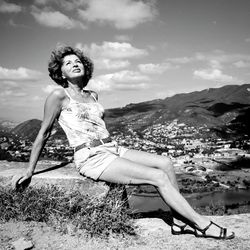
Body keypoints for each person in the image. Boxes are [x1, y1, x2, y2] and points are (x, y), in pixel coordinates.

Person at [12, 45, 234, 240]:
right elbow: (44, 133)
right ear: (60, 72)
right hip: (91, 156)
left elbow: (100, 126)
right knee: (157, 177)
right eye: (68, 63)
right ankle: (201, 224)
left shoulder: (93, 95)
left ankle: (178, 222)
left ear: (85, 66)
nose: (75, 64)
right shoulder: (58, 96)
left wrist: (113, 149)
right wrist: (30, 170)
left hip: (113, 147)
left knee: (165, 163)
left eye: (78, 61)